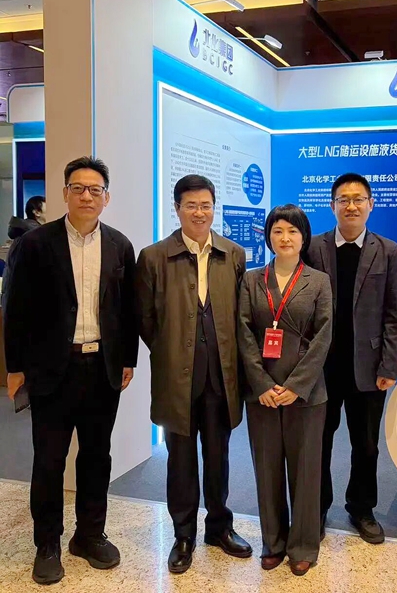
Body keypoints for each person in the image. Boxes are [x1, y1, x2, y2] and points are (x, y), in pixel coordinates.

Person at [4, 157, 138, 586]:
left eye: (95, 190)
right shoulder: (35, 244)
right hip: (50, 370)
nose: (86, 196)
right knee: (49, 460)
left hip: (102, 368)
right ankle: (47, 544)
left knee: (97, 457)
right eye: (78, 188)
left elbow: (127, 310)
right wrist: (14, 368)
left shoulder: (119, 245)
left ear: (106, 198)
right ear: (65, 193)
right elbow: (15, 309)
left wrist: (128, 359)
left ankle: (89, 535)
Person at [136, 174, 252, 575]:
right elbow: (145, 320)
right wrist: (173, 351)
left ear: (213, 208)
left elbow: (240, 316)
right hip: (177, 380)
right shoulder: (154, 257)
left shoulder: (233, 254)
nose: (199, 213)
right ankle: (183, 535)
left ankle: (219, 527)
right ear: (177, 208)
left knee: (219, 458)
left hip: (221, 377)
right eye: (191, 206)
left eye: (206, 205)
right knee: (180, 462)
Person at [306, 173, 397, 545]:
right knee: (319, 441)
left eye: (358, 199)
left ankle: (361, 508)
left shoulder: (388, 250)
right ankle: (316, 508)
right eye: (343, 199)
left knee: (366, 444)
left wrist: (389, 365)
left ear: (370, 204)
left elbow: (393, 313)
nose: (351, 206)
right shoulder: (312, 248)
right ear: (332, 205)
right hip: (322, 367)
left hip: (368, 367)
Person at [238, 205, 332, 576]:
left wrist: (295, 386)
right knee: (267, 468)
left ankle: (303, 545)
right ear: (269, 237)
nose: (285, 238)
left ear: (304, 237)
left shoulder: (319, 281)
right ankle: (273, 542)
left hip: (306, 394)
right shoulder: (251, 280)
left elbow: (323, 337)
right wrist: (261, 383)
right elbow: (244, 333)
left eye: (293, 231)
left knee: (306, 471)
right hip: (261, 393)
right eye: (278, 231)